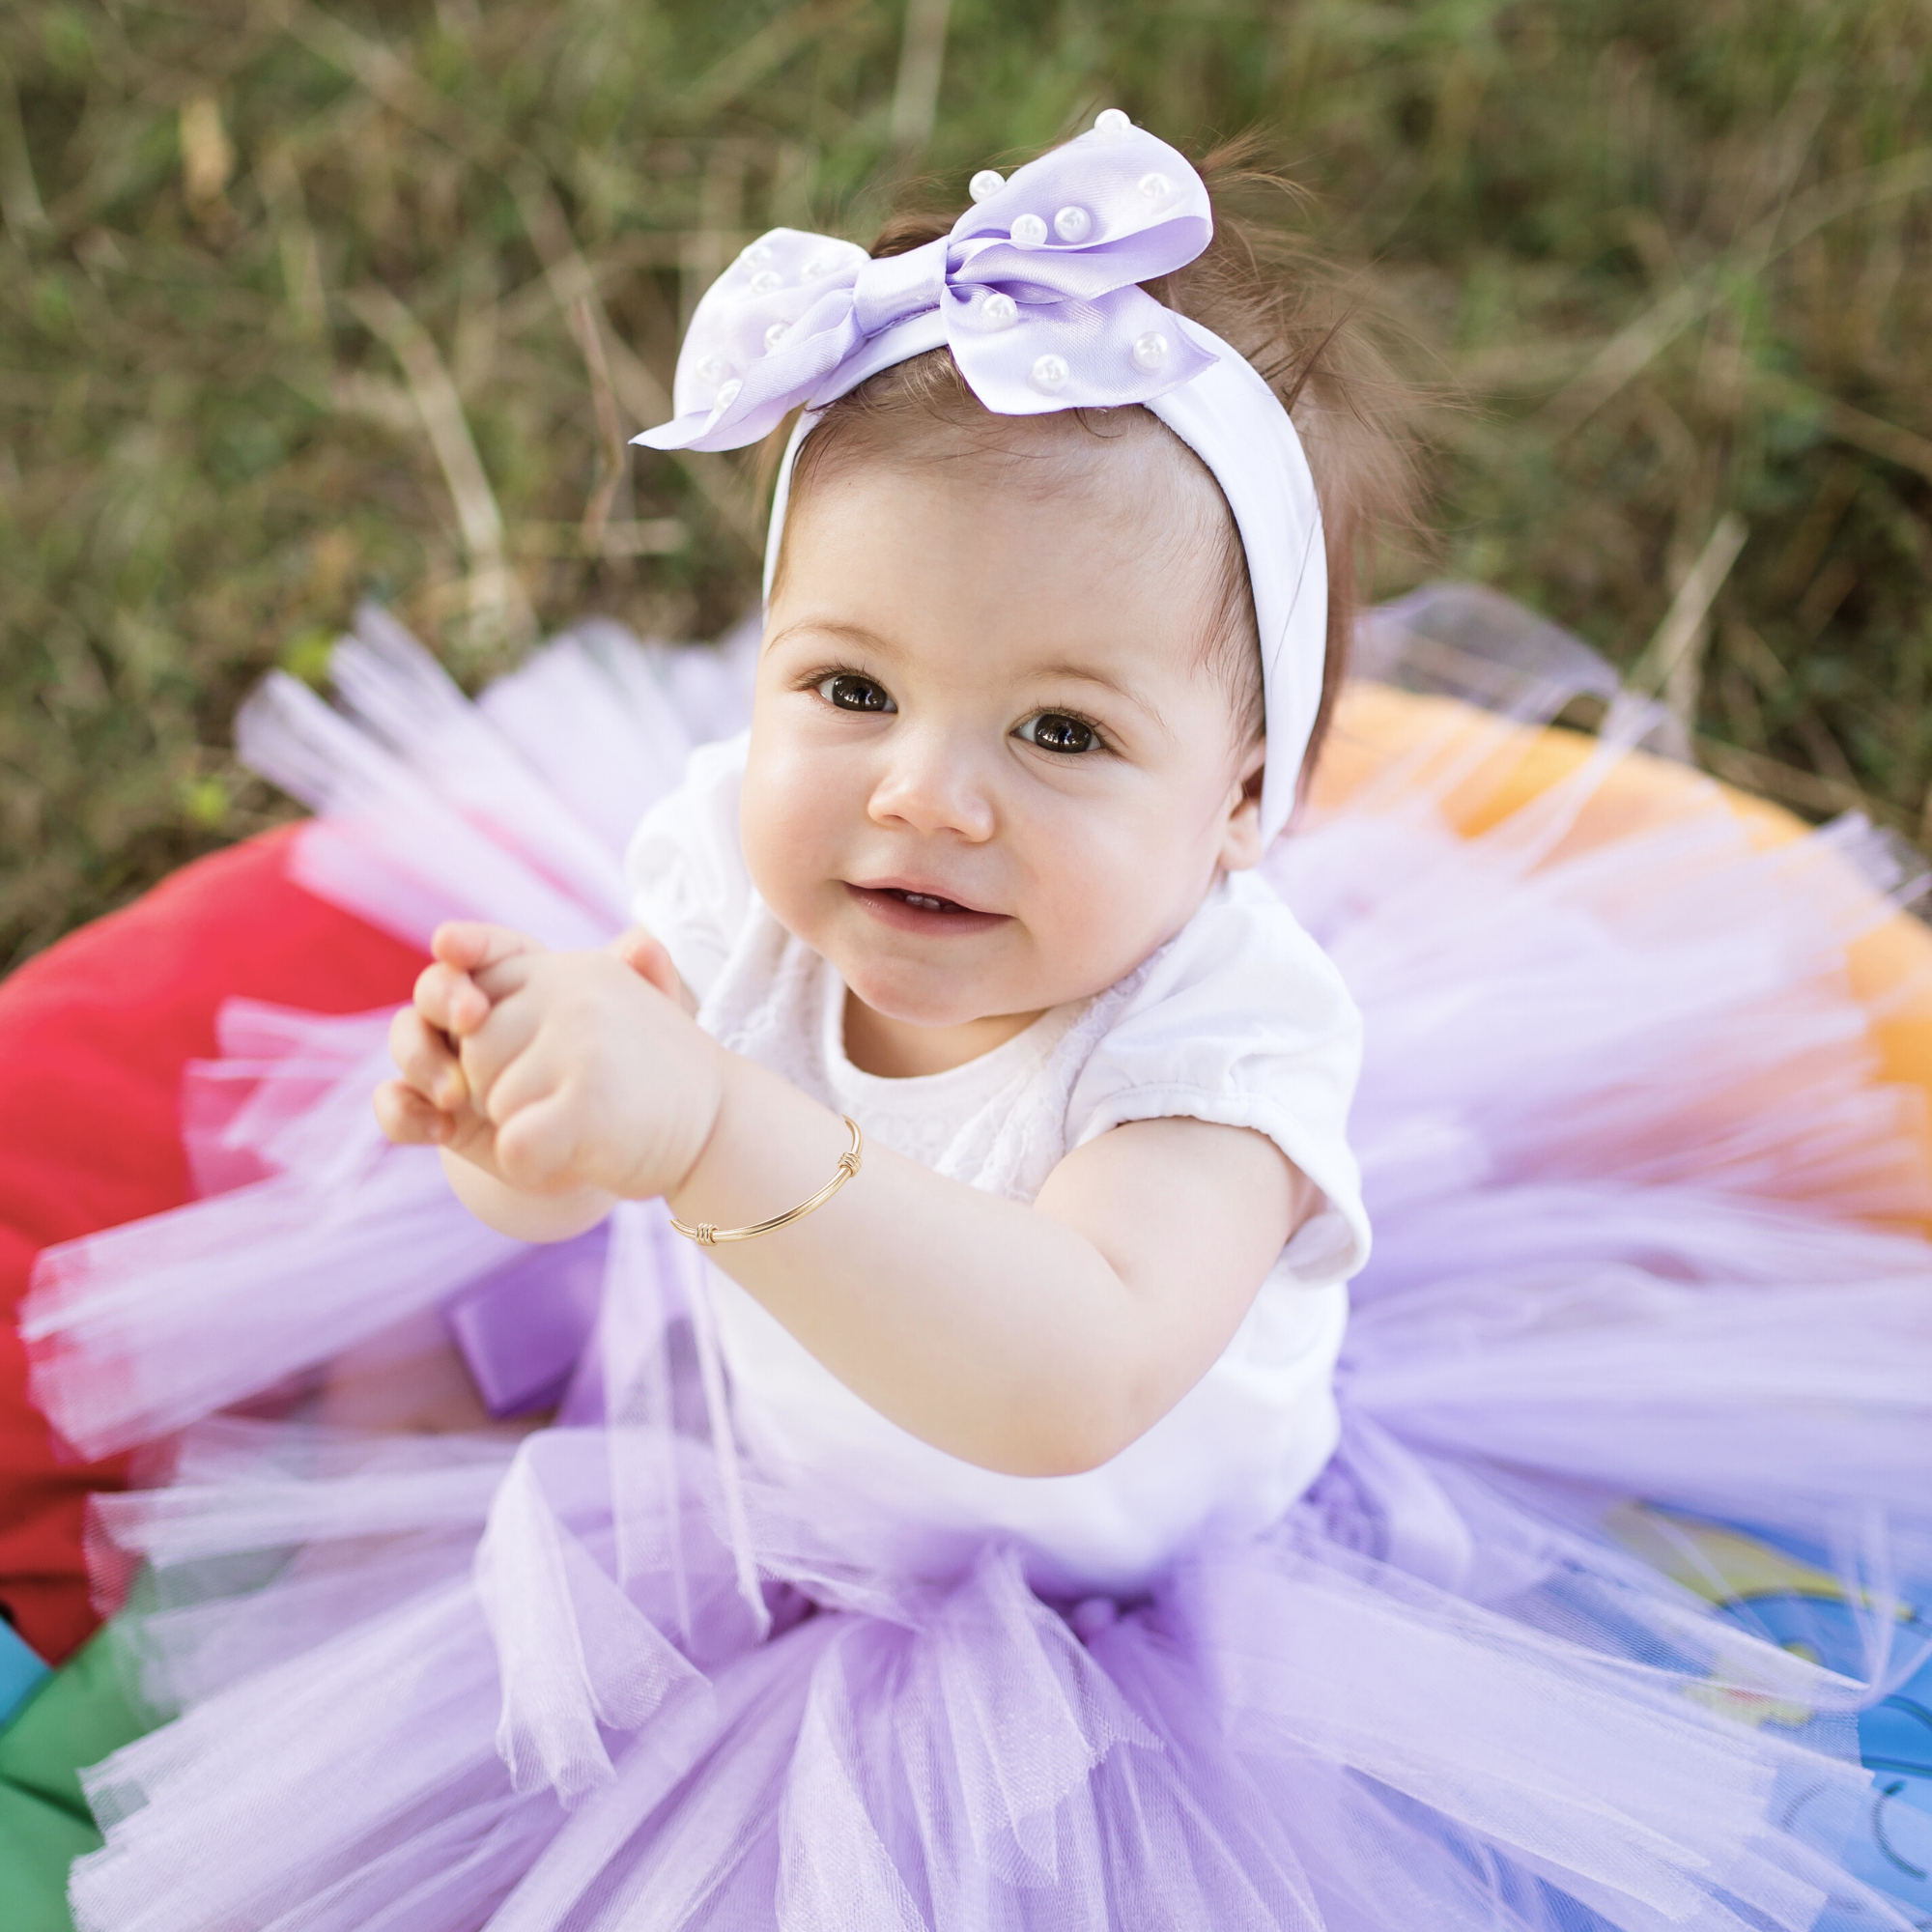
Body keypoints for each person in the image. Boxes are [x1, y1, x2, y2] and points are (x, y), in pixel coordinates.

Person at [21, 118, 1932, 1930]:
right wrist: (529, 1128)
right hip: (754, 1501)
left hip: (1129, 1634)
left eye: (1062, 731)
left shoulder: (1226, 1046)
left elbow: (1065, 1378)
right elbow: (590, 1160)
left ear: (1246, 799)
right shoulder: (739, 876)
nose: (925, 794)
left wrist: (703, 1136)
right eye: (850, 685)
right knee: (446, 1435)